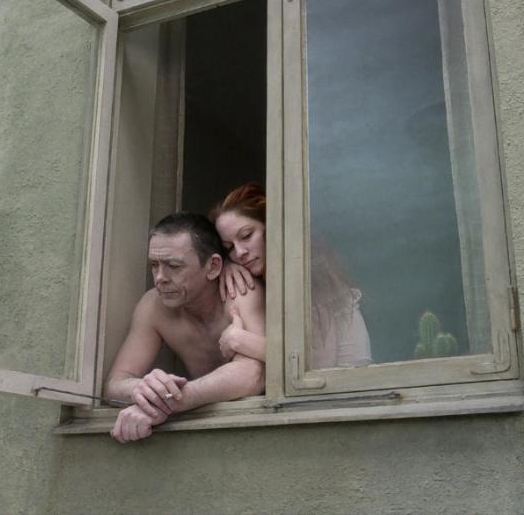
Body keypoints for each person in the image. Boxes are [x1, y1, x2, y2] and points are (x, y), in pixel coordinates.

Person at [105, 212, 264, 443]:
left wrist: (169, 401)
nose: (160, 278)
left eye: (173, 266)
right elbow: (115, 384)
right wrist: (147, 391)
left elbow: (252, 375)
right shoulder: (153, 305)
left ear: (213, 267)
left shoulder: (240, 290)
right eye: (154, 265)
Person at [212, 183, 371, 369]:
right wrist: (225, 265)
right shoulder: (247, 269)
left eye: (246, 236)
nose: (239, 253)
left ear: (271, 226)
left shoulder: (308, 267)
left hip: (345, 379)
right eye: (229, 247)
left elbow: (314, 364)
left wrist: (238, 340)